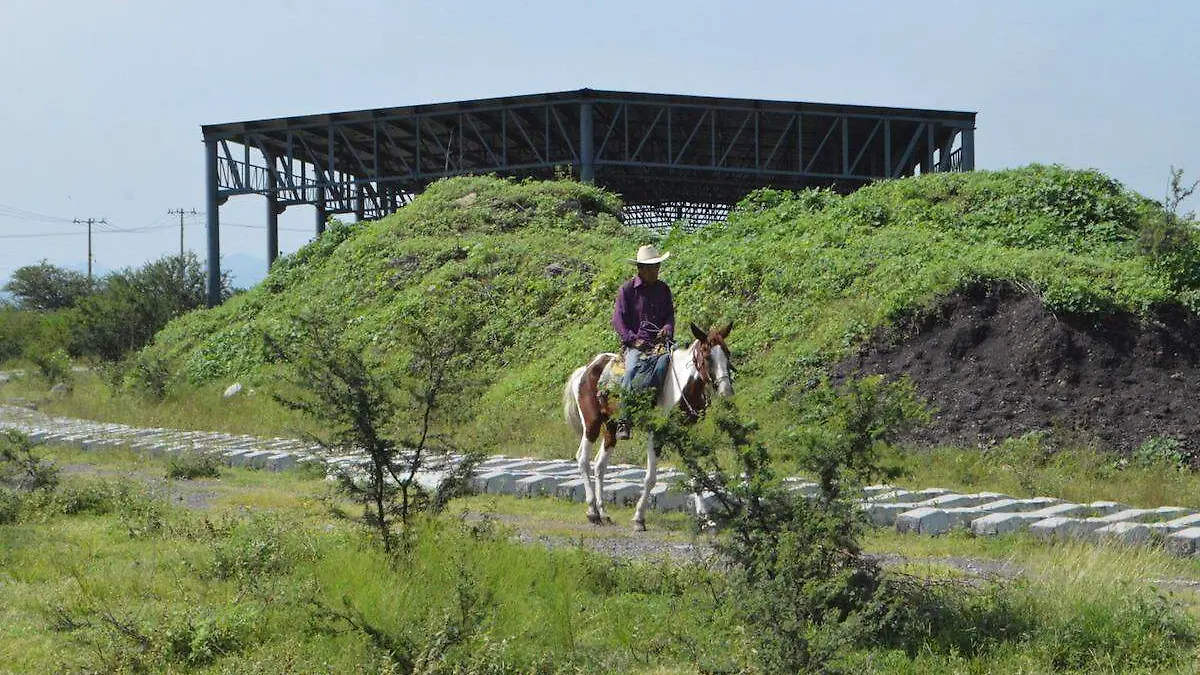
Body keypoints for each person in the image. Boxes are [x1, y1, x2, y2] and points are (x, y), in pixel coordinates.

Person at [611, 244, 675, 439]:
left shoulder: (663, 289)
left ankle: (653, 407)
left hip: (658, 344)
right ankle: (624, 419)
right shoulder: (628, 290)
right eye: (652, 267)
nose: (656, 270)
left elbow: (669, 316)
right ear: (641, 269)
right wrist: (633, 340)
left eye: (657, 266)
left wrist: (667, 329)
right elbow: (618, 321)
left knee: (666, 365)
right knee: (631, 370)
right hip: (636, 343)